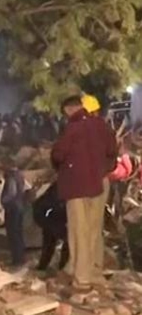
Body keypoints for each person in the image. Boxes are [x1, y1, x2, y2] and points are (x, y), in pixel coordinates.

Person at [52, 95, 117, 289]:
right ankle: (95, 270)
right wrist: (102, 169)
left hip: (77, 185)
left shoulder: (73, 127)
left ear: (70, 109)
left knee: (79, 230)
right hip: (100, 182)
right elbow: (112, 152)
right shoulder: (102, 126)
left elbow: (58, 155)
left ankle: (81, 278)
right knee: (95, 228)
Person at [33, 181, 69, 271]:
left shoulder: (57, 186)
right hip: (56, 219)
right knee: (67, 242)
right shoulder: (61, 188)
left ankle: (44, 266)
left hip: (53, 219)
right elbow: (44, 205)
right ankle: (62, 267)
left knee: (49, 244)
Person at [1, 162, 26, 267]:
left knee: (13, 234)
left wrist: (3, 201)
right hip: (19, 207)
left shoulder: (11, 177)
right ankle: (21, 258)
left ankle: (17, 260)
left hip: (12, 209)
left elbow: (11, 192)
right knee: (18, 233)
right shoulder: (20, 175)